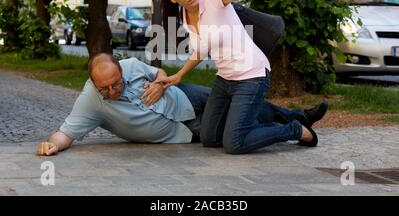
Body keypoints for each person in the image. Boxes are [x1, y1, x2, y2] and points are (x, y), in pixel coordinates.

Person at [156, 0, 328, 154]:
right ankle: (257, 127)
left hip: (251, 75)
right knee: (209, 137)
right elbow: (201, 49)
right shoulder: (185, 15)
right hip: (225, 80)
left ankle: (294, 129)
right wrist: (179, 74)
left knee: (234, 143)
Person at [37, 54, 327, 156]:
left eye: (117, 83)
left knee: (242, 101)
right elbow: (65, 133)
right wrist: (51, 144)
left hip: (184, 95)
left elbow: (159, 73)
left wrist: (160, 82)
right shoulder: (91, 101)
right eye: (106, 88)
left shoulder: (128, 66)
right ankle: (292, 128)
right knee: (234, 128)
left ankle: (299, 116)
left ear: (120, 71)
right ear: (93, 83)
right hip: (184, 128)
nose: (112, 90)